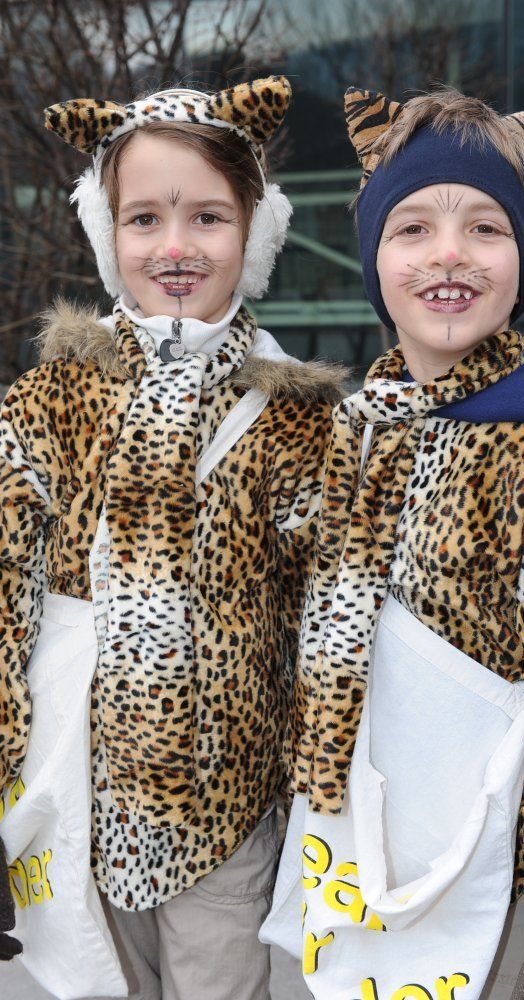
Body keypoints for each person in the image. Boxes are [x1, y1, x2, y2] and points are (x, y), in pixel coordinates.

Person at [270, 86, 524, 1000]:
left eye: (485, 228)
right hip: (356, 854)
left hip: (496, 881)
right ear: (375, 262)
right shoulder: (356, 429)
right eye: (413, 228)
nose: (448, 253)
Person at [0, 76, 345, 999]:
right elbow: (2, 599)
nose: (176, 246)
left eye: (209, 218)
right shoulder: (52, 400)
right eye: (144, 218)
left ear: (257, 233)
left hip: (223, 821)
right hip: (77, 802)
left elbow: (331, 627)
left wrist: (325, 805)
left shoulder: (298, 418)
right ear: (106, 233)